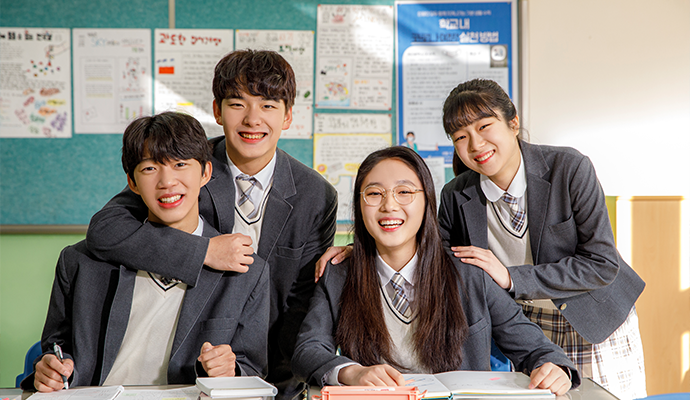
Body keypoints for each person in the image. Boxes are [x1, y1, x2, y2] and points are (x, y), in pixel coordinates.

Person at [85, 50, 337, 399]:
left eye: (267, 105)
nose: (252, 119)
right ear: (217, 111)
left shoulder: (316, 194)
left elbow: (302, 302)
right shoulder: (185, 167)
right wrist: (203, 251)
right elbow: (105, 230)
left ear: (288, 115)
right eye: (237, 104)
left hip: (273, 370)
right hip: (190, 364)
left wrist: (281, 380)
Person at [293, 146, 579, 396]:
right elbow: (307, 349)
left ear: (427, 202)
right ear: (359, 204)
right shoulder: (339, 274)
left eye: (404, 192)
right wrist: (352, 373)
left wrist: (554, 368)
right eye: (374, 193)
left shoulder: (469, 274)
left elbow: (537, 348)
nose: (389, 205)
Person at [22, 112, 269, 392]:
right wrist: (51, 370)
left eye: (180, 164)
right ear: (132, 183)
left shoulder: (245, 273)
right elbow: (56, 349)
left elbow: (252, 369)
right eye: (150, 168)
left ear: (205, 173)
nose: (167, 182)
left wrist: (230, 370)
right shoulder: (79, 263)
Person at [438, 79, 646, 399]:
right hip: (527, 332)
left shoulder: (568, 168)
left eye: (484, 126)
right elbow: (438, 262)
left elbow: (602, 265)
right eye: (461, 137)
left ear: (513, 122)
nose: (476, 144)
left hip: (594, 320)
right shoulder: (455, 195)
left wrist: (511, 277)